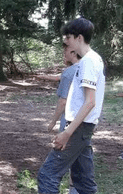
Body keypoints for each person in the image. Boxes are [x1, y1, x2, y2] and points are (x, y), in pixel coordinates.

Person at [37, 18, 105, 194]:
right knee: (83, 182)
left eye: (68, 37)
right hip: (83, 128)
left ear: (79, 38)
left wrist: (67, 132)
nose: (65, 41)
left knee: (47, 175)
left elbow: (90, 102)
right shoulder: (89, 60)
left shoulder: (89, 61)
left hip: (77, 128)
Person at [36, 46, 81, 132]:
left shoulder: (68, 72)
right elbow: (59, 77)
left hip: (70, 120)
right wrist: (43, 76)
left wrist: (53, 122)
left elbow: (63, 102)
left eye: (65, 53)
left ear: (74, 54)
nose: (64, 56)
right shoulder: (88, 69)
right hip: (86, 120)